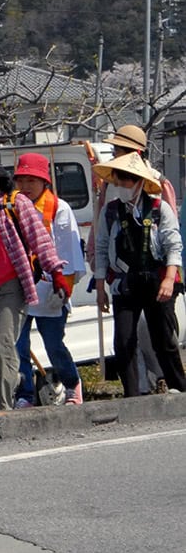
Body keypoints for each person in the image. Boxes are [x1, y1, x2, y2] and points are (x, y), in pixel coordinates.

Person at [0, 147, 68, 411]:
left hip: (12, 285)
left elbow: (39, 238)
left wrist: (56, 272)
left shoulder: (16, 203)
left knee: (4, 343)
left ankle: (4, 406)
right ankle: (12, 380)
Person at [94, 152, 186, 396]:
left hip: (156, 280)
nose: (121, 187)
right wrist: (101, 287)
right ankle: (132, 395)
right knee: (123, 341)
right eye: (118, 181)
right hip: (125, 282)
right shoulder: (111, 212)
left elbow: (173, 246)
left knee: (164, 340)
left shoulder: (159, 209)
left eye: (127, 181)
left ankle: (180, 388)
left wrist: (169, 278)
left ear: (140, 183)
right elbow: (102, 247)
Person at [11, 153, 87, 407]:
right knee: (18, 345)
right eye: (22, 180)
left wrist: (65, 285)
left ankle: (71, 383)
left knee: (53, 343)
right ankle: (24, 393)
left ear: (45, 182)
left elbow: (69, 250)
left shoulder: (58, 208)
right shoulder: (11, 206)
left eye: (32, 180)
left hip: (50, 287)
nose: (26, 186)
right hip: (20, 286)